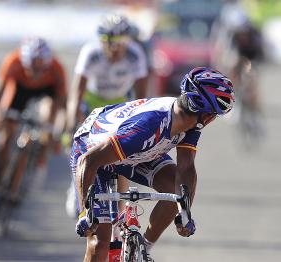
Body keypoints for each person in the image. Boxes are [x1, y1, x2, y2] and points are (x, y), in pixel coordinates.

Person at [71, 67, 235, 261]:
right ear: (206, 116)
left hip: (136, 151)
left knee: (175, 190)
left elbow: (186, 167)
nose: (213, 119)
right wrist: (85, 212)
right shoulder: (148, 126)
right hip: (94, 153)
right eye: (214, 115)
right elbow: (88, 160)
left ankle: (145, 249)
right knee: (99, 244)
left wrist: (185, 213)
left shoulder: (191, 121)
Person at [64, 13, 149, 218]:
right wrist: (70, 124)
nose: (115, 47)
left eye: (121, 41)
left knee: (122, 156)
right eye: (108, 41)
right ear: (101, 41)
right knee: (82, 147)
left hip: (117, 103)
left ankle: (118, 217)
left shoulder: (135, 54)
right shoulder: (91, 52)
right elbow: (76, 93)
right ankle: (76, 184)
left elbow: (142, 97)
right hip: (92, 101)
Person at [0, 37, 67, 202]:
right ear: (24, 62)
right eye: (31, 68)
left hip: (47, 93)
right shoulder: (13, 61)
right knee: (4, 139)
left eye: (40, 68)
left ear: (47, 63)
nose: (35, 73)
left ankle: (40, 162)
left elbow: (62, 107)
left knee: (48, 125)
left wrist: (57, 133)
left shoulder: (57, 68)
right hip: (19, 91)